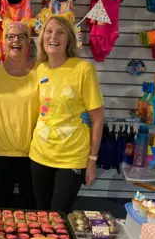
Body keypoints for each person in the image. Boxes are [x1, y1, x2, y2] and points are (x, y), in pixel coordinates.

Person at [29, 16, 104, 212]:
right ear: (42, 37)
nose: (53, 36)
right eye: (49, 31)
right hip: (39, 154)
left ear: (69, 40)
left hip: (72, 157)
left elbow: (97, 120)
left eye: (60, 32)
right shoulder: (40, 70)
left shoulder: (83, 69)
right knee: (41, 215)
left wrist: (92, 161)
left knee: (59, 218)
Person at [0, 21, 37, 209]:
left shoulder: (42, 72)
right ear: (3, 42)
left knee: (33, 213)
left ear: (29, 42)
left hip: (34, 155)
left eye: (21, 36)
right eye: (10, 36)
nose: (16, 40)